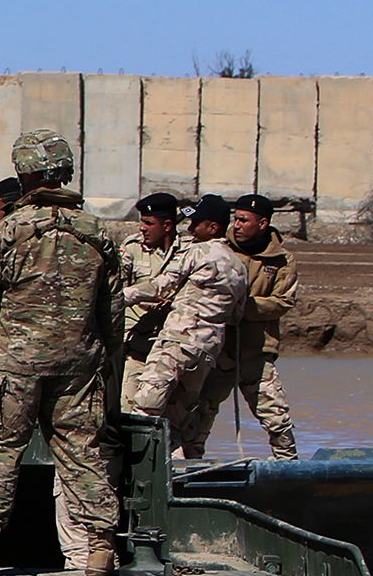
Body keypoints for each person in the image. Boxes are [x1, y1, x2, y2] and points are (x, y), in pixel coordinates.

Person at [0, 130, 122, 576]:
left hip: (13, 364)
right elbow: (114, 313)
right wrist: (102, 357)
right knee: (82, 451)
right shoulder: (98, 233)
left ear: (26, 174)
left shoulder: (8, 232)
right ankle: (100, 545)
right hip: (78, 364)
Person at [123, 197, 250, 447]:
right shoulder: (239, 267)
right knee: (176, 421)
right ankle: (176, 477)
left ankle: (135, 474)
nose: (190, 229)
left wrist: (121, 297)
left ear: (212, 228)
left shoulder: (197, 251)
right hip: (206, 352)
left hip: (177, 342)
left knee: (144, 409)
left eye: (195, 224)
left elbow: (161, 285)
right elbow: (236, 315)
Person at [183, 193, 302, 460]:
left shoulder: (282, 260)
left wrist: (242, 307)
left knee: (277, 419)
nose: (237, 225)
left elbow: (283, 301)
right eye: (236, 219)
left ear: (262, 224)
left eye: (244, 220)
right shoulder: (218, 246)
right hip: (216, 350)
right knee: (198, 416)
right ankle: (189, 469)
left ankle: (289, 469)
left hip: (255, 352)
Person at [116, 192, 184, 404]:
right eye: (142, 222)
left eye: (148, 223)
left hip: (171, 349)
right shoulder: (133, 248)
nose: (142, 228)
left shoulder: (187, 252)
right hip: (135, 347)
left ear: (167, 226)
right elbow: (116, 290)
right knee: (128, 408)